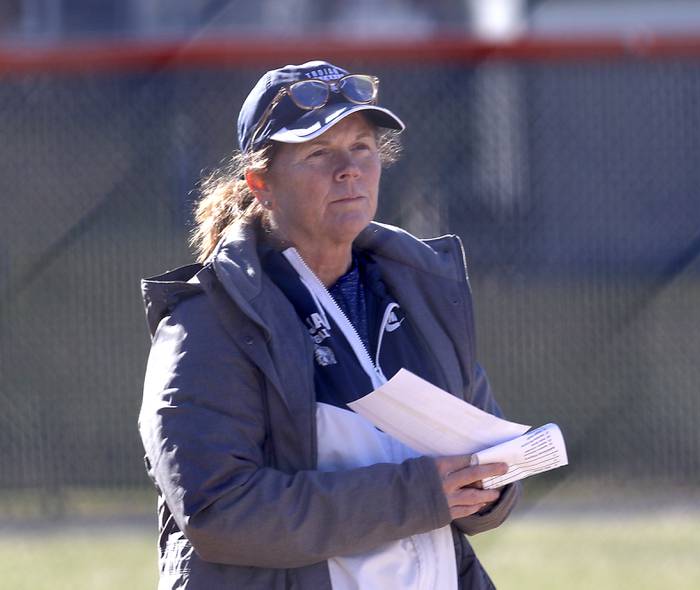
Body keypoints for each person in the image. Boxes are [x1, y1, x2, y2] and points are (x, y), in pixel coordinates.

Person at [139, 59, 520, 590]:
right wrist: (417, 497)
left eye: (361, 148)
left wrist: (488, 486)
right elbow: (219, 510)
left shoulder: (422, 292)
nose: (349, 169)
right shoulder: (209, 319)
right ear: (260, 183)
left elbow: (480, 449)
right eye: (319, 153)